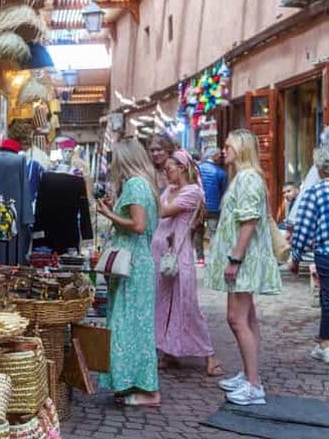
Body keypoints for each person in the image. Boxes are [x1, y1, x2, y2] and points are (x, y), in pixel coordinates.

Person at [205, 129, 282, 405]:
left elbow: (248, 222)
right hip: (242, 259)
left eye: (229, 146)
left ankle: (253, 383)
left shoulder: (248, 178)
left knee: (238, 319)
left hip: (244, 260)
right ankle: (249, 375)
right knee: (244, 318)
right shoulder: (244, 178)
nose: (224, 150)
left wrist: (235, 258)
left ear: (241, 148)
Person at [96, 139, 160, 407]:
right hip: (139, 260)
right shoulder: (146, 184)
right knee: (134, 324)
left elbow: (138, 224)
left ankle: (147, 391)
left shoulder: (135, 185)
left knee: (128, 324)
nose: (113, 165)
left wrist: (109, 214)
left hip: (131, 262)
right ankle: (131, 382)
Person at [153, 150, 223, 376]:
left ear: (182, 168)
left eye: (170, 168)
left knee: (187, 305)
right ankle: (170, 351)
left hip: (179, 257)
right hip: (163, 256)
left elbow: (163, 212)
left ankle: (210, 355)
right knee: (165, 304)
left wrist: (149, 187)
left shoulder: (193, 192)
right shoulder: (170, 189)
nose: (166, 173)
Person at [288, 147, 329, 363]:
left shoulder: (316, 192)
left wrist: (295, 257)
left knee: (328, 298)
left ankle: (325, 344)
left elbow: (303, 229)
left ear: (321, 169)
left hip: (325, 252)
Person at [195, 147, 227, 264]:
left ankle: (200, 258)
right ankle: (214, 256)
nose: (221, 158)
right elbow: (224, 191)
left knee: (198, 231)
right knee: (214, 232)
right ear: (214, 156)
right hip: (214, 207)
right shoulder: (221, 172)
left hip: (199, 206)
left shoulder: (198, 169)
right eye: (219, 156)